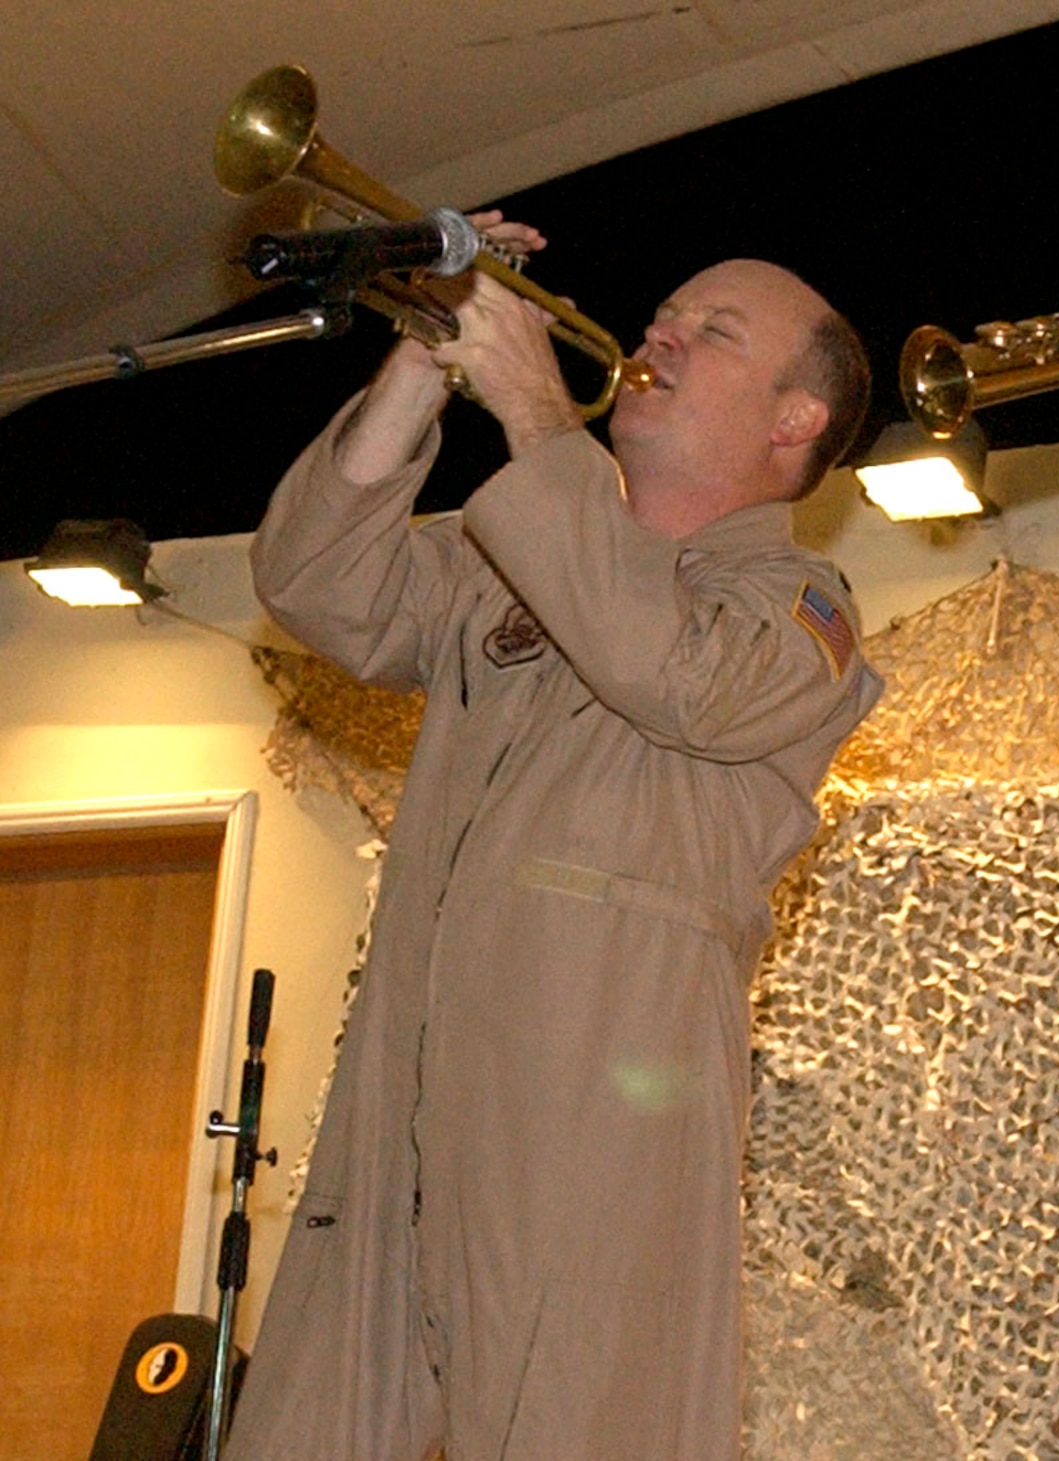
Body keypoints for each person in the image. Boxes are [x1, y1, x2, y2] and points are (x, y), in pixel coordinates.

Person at [226, 231, 883, 1459]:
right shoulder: (513, 566)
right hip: (404, 1098)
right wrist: (424, 362)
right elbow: (314, 580)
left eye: (713, 331)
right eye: (667, 312)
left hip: (592, 1129)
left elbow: (671, 675)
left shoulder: (799, 612)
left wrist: (534, 406)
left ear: (797, 419)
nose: (659, 335)